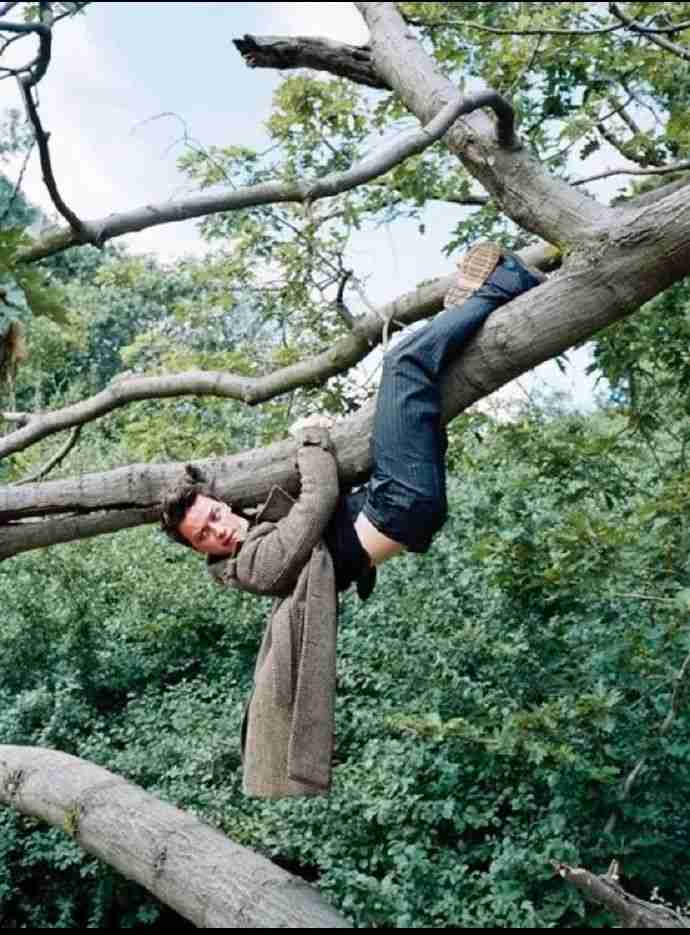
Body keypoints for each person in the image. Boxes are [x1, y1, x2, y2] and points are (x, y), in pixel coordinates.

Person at [160, 242, 546, 799]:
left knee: (422, 381)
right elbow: (317, 501)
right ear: (202, 551)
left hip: (395, 504)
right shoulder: (252, 566)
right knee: (402, 365)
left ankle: (472, 307)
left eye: (214, 515)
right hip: (399, 502)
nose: (219, 529)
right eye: (205, 535)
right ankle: (506, 285)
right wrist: (312, 438)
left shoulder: (257, 527)